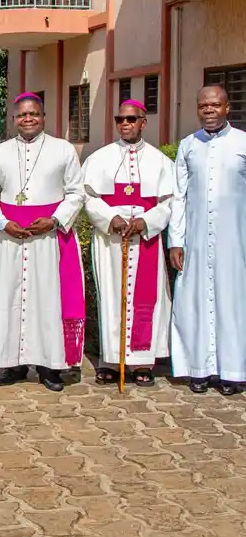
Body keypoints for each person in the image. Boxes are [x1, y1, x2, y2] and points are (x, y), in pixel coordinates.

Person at [0, 92, 85, 391]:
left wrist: (55, 220)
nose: (28, 119)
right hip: (10, 238)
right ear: (14, 119)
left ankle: (49, 366)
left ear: (44, 117)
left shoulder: (63, 150)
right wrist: (3, 223)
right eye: (23, 115)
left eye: (34, 114)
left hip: (48, 238)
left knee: (47, 301)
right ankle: (13, 364)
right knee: (8, 300)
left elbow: (76, 192)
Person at [83, 99, 174, 387]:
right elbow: (88, 196)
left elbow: (169, 202)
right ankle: (111, 361)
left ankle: (142, 362)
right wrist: (110, 218)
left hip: (145, 240)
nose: (125, 124)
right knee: (111, 297)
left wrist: (146, 222)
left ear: (143, 123)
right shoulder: (99, 158)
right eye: (120, 119)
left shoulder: (160, 161)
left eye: (131, 119)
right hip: (110, 240)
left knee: (147, 300)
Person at [170, 86, 246, 395]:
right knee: (194, 303)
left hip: (235, 241)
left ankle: (233, 371)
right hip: (196, 240)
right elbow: (178, 197)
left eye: (215, 105)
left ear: (227, 107)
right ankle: (198, 369)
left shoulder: (242, 142)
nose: (209, 110)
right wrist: (176, 241)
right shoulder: (188, 145)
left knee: (233, 302)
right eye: (203, 105)